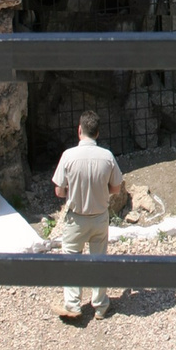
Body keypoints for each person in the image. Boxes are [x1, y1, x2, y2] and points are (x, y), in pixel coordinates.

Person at [49, 109, 125, 319]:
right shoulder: (107, 156)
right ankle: (100, 305)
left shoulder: (68, 156)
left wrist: (71, 191)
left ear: (79, 130)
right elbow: (116, 188)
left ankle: (73, 305)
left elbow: (59, 191)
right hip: (100, 217)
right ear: (97, 133)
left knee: (72, 259)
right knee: (99, 259)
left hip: (76, 218)